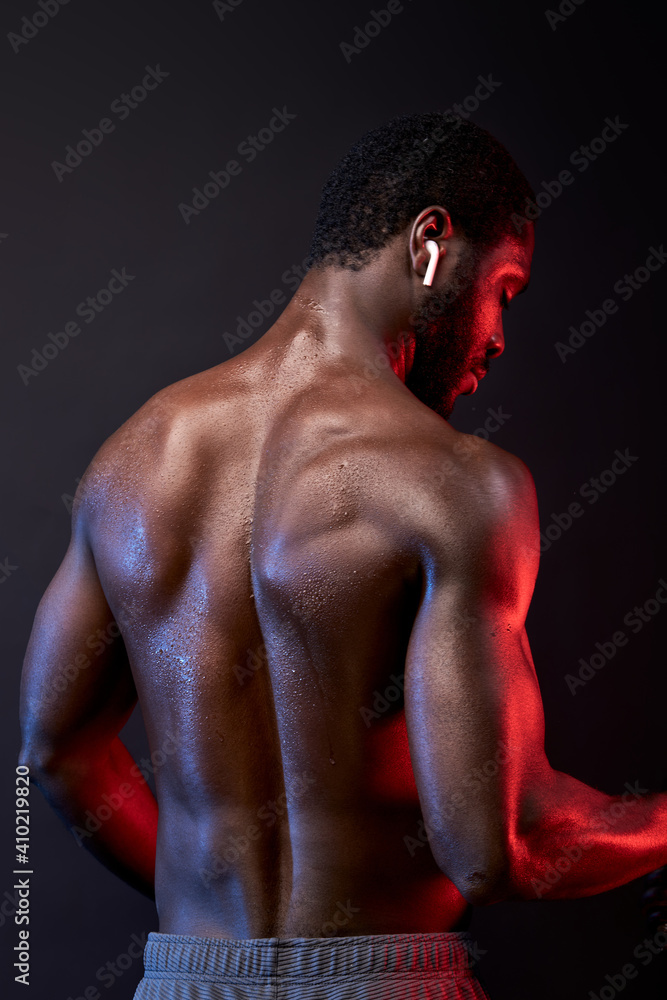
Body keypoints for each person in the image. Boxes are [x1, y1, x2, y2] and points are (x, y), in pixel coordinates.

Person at [18, 112, 667, 999]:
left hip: (184, 979)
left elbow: (56, 754)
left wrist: (211, 926)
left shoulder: (132, 461)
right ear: (430, 243)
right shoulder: (457, 484)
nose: (498, 338)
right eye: (504, 292)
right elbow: (500, 845)